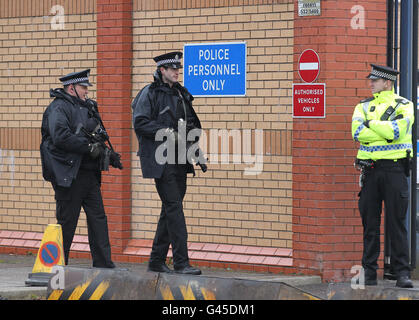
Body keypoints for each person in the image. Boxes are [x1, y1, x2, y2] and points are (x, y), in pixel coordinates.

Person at [132, 51, 205, 275]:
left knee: (169, 209)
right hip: (160, 160)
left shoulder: (182, 95)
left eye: (178, 69)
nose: (177, 72)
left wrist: (196, 152)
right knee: (175, 209)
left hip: (180, 160)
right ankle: (181, 263)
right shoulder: (150, 93)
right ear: (162, 70)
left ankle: (156, 262)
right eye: (173, 69)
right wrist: (166, 133)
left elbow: (191, 126)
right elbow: (141, 123)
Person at [40, 69, 123, 268]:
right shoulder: (58, 108)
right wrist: (88, 148)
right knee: (67, 222)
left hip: (89, 174)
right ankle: (58, 266)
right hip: (69, 175)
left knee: (98, 219)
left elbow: (96, 137)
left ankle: (103, 264)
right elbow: (60, 137)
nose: (87, 91)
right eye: (83, 87)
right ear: (71, 88)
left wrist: (108, 155)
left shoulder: (88, 108)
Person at [351, 64, 414, 288]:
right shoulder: (362, 106)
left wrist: (372, 125)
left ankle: (402, 274)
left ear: (387, 82)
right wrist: (383, 130)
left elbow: (396, 132)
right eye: (370, 80)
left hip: (395, 170)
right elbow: (357, 133)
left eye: (375, 81)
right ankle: (369, 273)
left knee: (397, 223)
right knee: (370, 223)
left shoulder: (405, 105)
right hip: (370, 171)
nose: (370, 84)